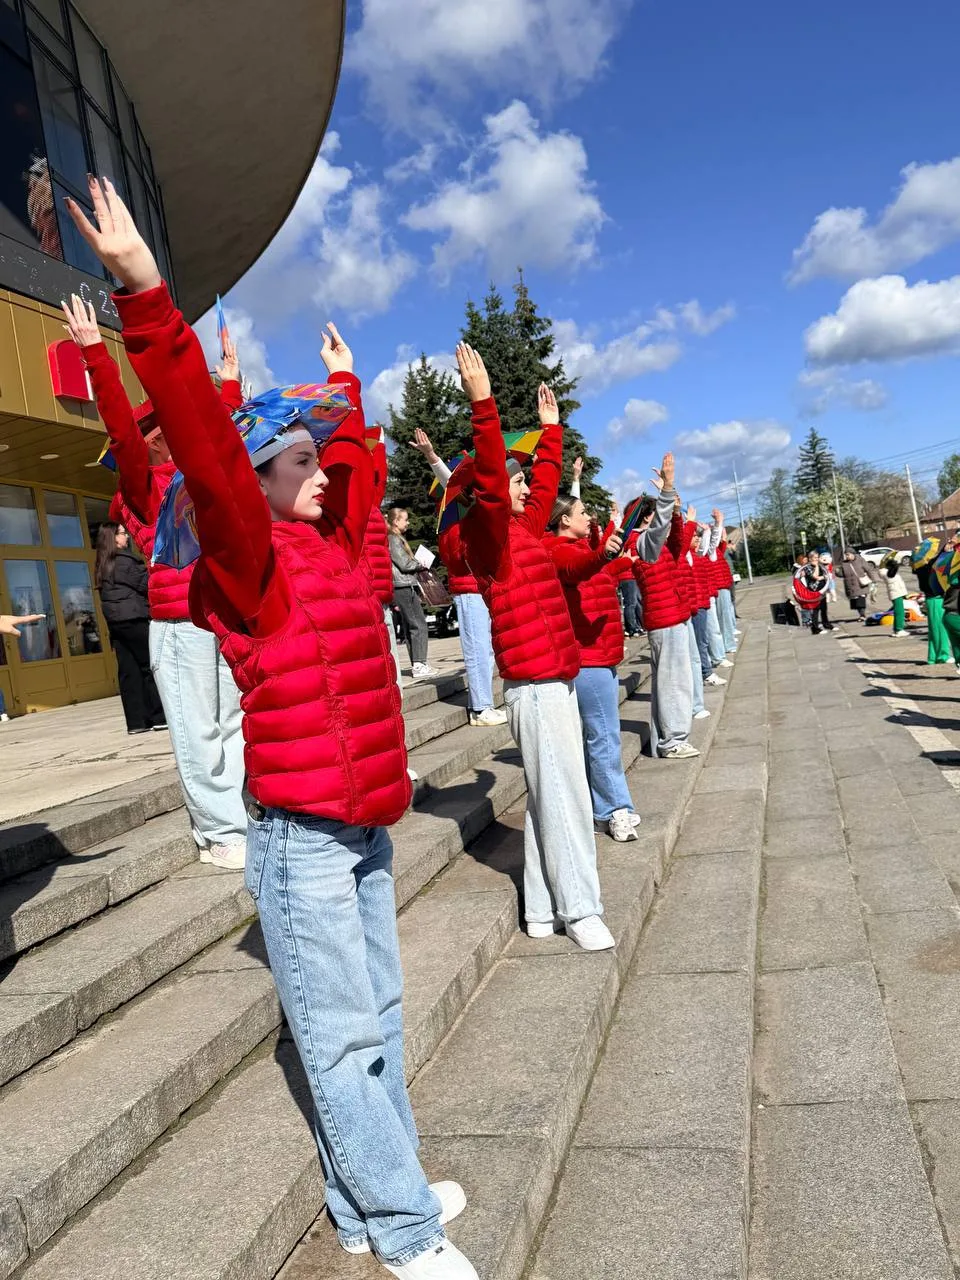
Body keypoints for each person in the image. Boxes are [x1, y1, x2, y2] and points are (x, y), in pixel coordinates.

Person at [65, 177, 476, 1280]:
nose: (322, 469)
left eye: (319, 459)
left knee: (379, 1013)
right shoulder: (251, 562)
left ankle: (369, 1198)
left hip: (364, 826)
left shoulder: (333, 554)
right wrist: (146, 301)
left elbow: (358, 473)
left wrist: (344, 390)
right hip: (302, 837)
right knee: (341, 1036)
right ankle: (404, 1230)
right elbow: (205, 450)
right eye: (300, 460)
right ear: (254, 482)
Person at [62, 293, 248, 871]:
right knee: (197, 732)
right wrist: (96, 356)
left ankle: (238, 816)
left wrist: (230, 383)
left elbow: (223, 429)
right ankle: (218, 830)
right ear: (152, 438)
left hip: (222, 615)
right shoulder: (143, 488)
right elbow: (122, 430)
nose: (180, 425)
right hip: (178, 622)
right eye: (165, 425)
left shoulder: (203, 471)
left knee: (233, 722)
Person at [453, 342, 612, 951]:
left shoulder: (523, 529)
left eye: (521, 480)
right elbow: (497, 486)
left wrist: (551, 432)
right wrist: (483, 404)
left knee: (552, 797)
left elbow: (543, 485)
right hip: (535, 687)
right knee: (567, 799)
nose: (524, 488)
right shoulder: (486, 532)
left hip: (556, 680)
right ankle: (582, 909)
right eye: (513, 480)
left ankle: (543, 910)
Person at [544, 494, 640, 841]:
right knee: (603, 736)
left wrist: (618, 560)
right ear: (564, 520)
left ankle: (606, 806)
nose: (589, 517)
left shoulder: (580, 549)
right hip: (589, 659)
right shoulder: (559, 551)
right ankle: (613, 810)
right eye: (582, 512)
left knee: (602, 735)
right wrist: (604, 556)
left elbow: (595, 576)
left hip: (602, 655)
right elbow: (578, 569)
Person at [409, 429, 506, 726]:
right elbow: (451, 482)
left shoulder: (469, 515)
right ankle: (480, 708)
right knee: (478, 650)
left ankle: (484, 703)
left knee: (485, 650)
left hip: (480, 588)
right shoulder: (457, 515)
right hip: (469, 589)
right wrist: (432, 456)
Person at [630, 463, 700, 758]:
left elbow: (678, 541)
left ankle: (665, 738)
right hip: (665, 618)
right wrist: (667, 493)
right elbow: (660, 531)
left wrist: (676, 509)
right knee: (674, 681)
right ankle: (673, 741)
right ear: (647, 517)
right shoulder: (641, 542)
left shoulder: (655, 543)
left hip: (673, 615)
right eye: (657, 512)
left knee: (670, 680)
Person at [94, 521, 166, 734]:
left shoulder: (102, 563)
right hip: (135, 618)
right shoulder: (126, 561)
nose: (126, 536)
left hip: (116, 623)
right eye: (122, 533)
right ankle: (159, 717)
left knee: (128, 671)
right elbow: (146, 585)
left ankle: (137, 722)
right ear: (113, 538)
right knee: (148, 666)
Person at [387, 508, 439, 681]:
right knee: (418, 624)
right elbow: (404, 564)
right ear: (396, 521)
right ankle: (419, 664)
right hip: (403, 585)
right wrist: (420, 563)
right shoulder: (394, 539)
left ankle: (418, 663)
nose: (408, 522)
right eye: (405, 519)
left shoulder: (395, 538)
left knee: (412, 625)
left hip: (404, 585)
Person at [911, 538, 952, 663]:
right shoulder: (925, 568)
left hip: (931, 600)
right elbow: (935, 561)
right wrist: (943, 550)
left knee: (934, 630)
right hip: (935, 600)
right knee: (940, 629)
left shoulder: (919, 568)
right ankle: (943, 656)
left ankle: (933, 657)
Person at [795, 550, 833, 634]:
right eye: (814, 558)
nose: (816, 559)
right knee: (816, 609)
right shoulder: (807, 567)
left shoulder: (820, 565)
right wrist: (817, 567)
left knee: (824, 608)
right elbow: (815, 577)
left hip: (822, 588)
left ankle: (826, 624)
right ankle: (815, 629)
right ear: (810, 558)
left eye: (817, 557)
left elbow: (827, 574)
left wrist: (824, 573)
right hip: (814, 590)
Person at [839, 547, 878, 622]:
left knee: (860, 600)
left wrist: (873, 580)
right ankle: (861, 614)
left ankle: (862, 615)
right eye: (846, 555)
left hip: (860, 584)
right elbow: (841, 574)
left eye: (848, 554)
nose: (846, 556)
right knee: (855, 602)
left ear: (853, 554)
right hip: (850, 585)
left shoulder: (860, 560)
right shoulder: (844, 563)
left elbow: (868, 570)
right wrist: (837, 572)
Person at [882, 554, 909, 637]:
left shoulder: (886, 572)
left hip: (896, 594)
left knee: (898, 611)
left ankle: (896, 629)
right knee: (899, 612)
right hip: (897, 594)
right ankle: (899, 629)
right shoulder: (889, 573)